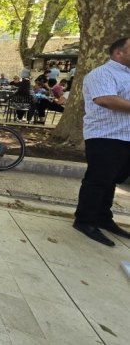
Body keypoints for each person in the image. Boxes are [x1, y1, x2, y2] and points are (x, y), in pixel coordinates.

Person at [73, 37, 130, 247]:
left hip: (126, 137)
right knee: (98, 179)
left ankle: (103, 217)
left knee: (112, 180)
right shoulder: (102, 73)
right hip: (105, 136)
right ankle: (84, 220)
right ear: (118, 53)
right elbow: (105, 99)